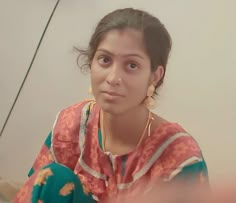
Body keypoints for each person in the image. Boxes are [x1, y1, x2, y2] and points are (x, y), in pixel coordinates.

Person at [13, 7, 208, 203]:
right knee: (52, 179)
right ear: (91, 63)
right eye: (105, 60)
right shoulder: (72, 126)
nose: (113, 78)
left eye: (132, 65)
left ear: (155, 76)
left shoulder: (178, 157)